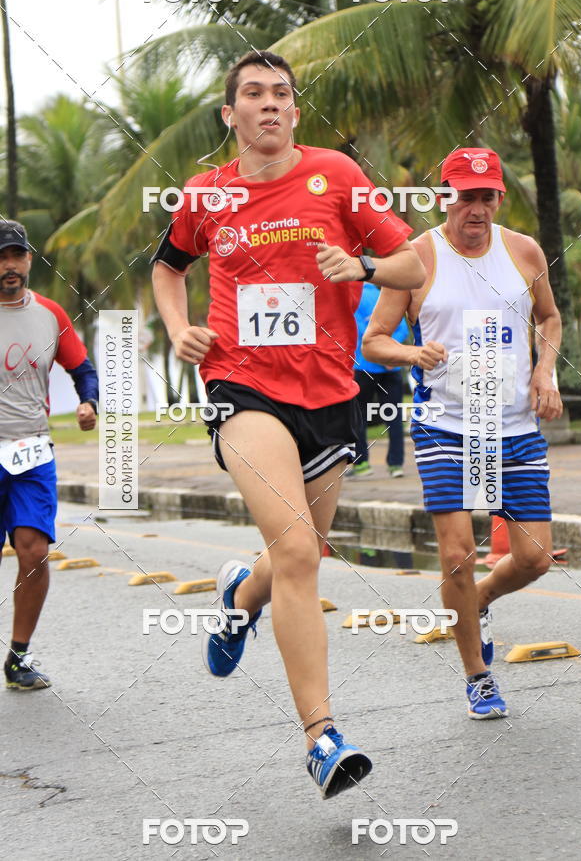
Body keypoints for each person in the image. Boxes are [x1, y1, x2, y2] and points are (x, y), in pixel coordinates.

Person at [151, 50, 425, 797]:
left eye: (280, 94)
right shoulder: (205, 195)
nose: (268, 104)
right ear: (229, 115)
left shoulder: (334, 175)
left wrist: (361, 269)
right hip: (243, 386)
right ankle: (321, 737)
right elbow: (168, 267)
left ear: (295, 112)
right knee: (299, 550)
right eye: (252, 94)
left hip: (331, 393)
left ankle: (241, 593)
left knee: (302, 548)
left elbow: (412, 265)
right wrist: (179, 329)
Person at [362, 148, 562, 719]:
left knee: (535, 558)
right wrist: (409, 351)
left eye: (487, 196)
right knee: (456, 555)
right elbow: (373, 340)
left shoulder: (523, 251)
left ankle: (478, 603)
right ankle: (477, 675)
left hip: (514, 426)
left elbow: (548, 317)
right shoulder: (416, 258)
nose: (476, 208)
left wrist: (544, 370)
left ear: (499, 198)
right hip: (446, 425)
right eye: (464, 195)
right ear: (443, 196)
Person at [0, 220, 98, 689]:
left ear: (29, 261)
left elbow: (84, 369)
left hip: (33, 452)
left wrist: (88, 401)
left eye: (16, 256)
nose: (9, 266)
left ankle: (18, 656)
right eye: (0, 258)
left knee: (34, 553)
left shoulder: (51, 315)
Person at [349, 281, 409, 477]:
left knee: (358, 417)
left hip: (363, 366)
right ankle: (396, 465)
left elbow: (355, 331)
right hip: (391, 367)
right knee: (393, 417)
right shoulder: (386, 295)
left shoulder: (354, 297)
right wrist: (389, 350)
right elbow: (402, 329)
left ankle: (362, 464)